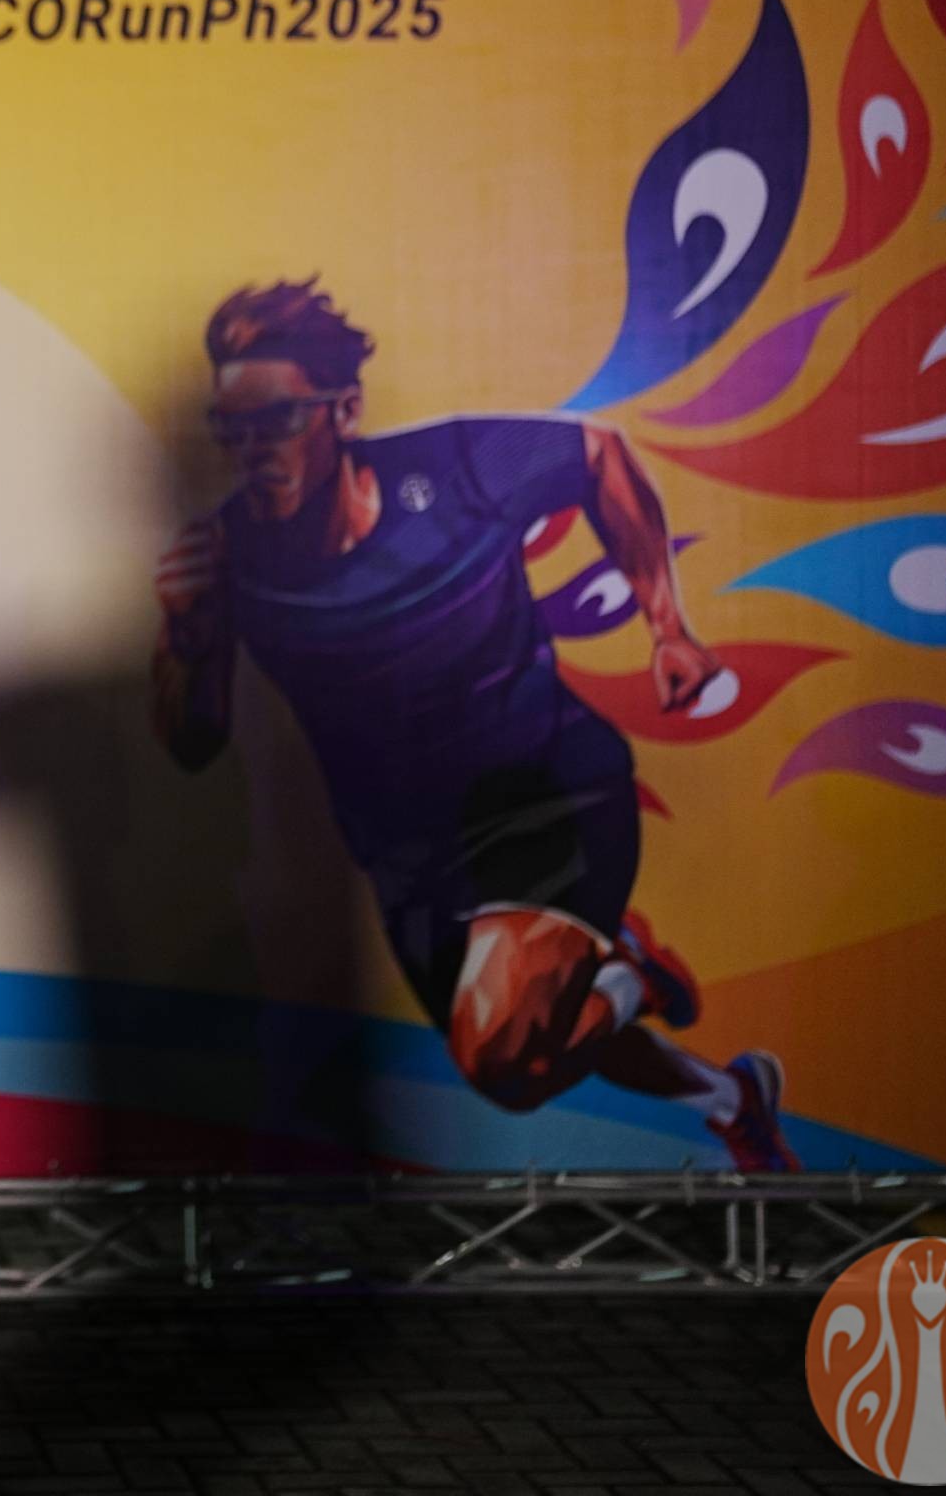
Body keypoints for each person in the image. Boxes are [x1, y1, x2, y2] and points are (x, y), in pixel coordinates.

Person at [152, 278, 798, 1172]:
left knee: (500, 1055)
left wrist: (669, 627)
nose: (252, 451)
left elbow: (599, 456)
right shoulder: (226, 559)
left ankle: (631, 973)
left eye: (278, 422)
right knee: (532, 1053)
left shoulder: (456, 469)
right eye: (231, 430)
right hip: (407, 857)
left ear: (344, 411)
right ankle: (727, 1094)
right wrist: (185, 641)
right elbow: (192, 743)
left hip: (545, 797)